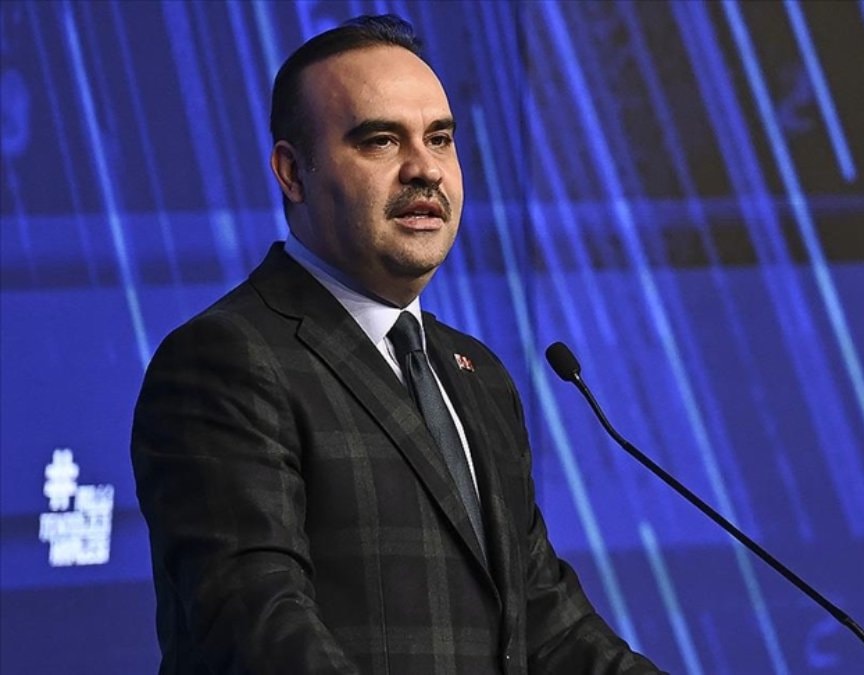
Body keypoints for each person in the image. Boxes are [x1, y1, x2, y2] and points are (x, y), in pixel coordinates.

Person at [131, 15, 660, 675]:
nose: (425, 169)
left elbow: (547, 624)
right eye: (380, 140)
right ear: (292, 172)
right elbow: (258, 628)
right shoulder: (227, 360)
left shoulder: (477, 372)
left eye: (440, 138)